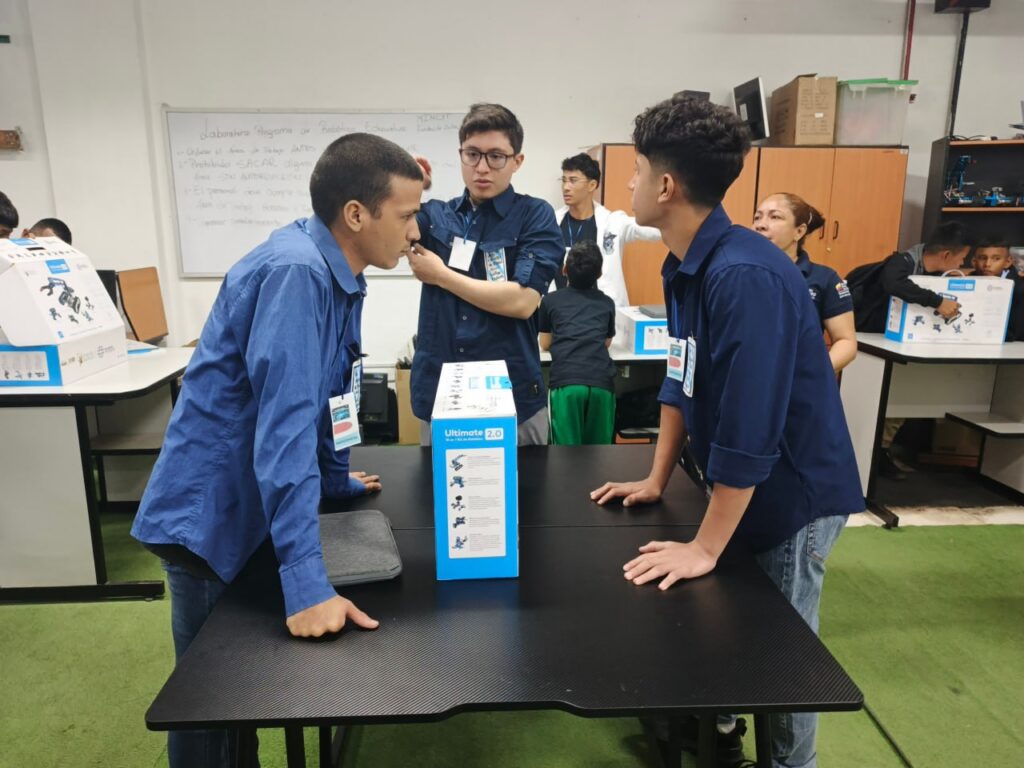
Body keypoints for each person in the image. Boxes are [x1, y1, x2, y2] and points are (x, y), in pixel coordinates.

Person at [131, 133, 424, 768]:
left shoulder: (339, 273)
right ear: (356, 214)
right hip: (210, 519)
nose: (414, 231)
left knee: (243, 702)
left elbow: (331, 389)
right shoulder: (297, 273)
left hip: (248, 507)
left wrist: (335, 478)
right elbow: (283, 431)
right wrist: (308, 585)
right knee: (212, 709)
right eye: (405, 215)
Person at [590, 97, 864, 768]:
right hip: (742, 488)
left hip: (792, 497)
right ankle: (719, 738)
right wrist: (656, 479)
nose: (628, 185)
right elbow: (681, 379)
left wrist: (705, 546)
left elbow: (750, 427)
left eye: (635, 172)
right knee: (729, 631)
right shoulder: (684, 263)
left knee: (782, 654)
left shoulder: (743, 274)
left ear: (665, 185)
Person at [408, 104, 563, 445]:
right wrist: (409, 186)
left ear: (517, 161)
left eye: (496, 157)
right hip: (441, 395)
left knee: (527, 481)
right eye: (473, 154)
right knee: (438, 481)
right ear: (460, 155)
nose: (482, 167)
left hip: (513, 396)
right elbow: (385, 231)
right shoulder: (435, 215)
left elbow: (522, 302)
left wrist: (441, 276)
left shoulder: (534, 216)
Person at [752, 193, 857, 372]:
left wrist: (814, 376)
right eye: (757, 217)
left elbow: (846, 342)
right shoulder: (739, 272)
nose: (760, 225)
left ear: (799, 232)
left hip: (796, 381)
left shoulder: (825, 278)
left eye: (775, 217)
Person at [553, 152, 661, 305]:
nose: (566, 187)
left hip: (601, 310)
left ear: (592, 185)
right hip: (561, 309)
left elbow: (656, 231)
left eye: (573, 181)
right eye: (564, 180)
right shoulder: (553, 222)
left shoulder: (613, 222)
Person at [538, 241, 617, 445]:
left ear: (564, 270)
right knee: (601, 453)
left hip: (567, 383)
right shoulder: (607, 303)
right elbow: (607, 341)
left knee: (565, 454)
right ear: (599, 274)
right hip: (601, 384)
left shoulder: (549, 301)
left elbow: (545, 343)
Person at [849, 221, 972, 333]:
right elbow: (894, 284)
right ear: (946, 255)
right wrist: (938, 302)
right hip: (870, 333)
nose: (962, 263)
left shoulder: (939, 275)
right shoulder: (901, 262)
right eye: (962, 258)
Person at [972, 236, 1024, 341]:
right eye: (982, 258)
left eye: (996, 259)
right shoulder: (967, 281)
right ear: (974, 261)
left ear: (1008, 262)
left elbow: (1018, 331)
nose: (987, 264)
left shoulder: (1020, 288)